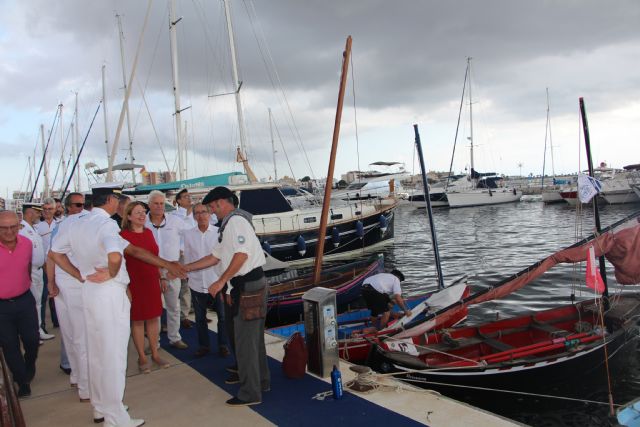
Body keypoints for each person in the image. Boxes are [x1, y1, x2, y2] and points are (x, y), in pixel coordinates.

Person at [50, 184, 186, 427]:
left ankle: (100, 407)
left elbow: (56, 253)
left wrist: (80, 274)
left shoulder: (77, 223)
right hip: (109, 295)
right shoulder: (106, 225)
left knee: (96, 353)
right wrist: (112, 273)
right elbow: (115, 255)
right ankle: (116, 418)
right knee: (112, 356)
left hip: (90, 292)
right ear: (111, 200)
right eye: (119, 199)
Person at [185, 186, 269, 407]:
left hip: (248, 286)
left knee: (245, 342)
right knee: (252, 340)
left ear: (222, 203)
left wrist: (222, 281)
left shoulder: (236, 222)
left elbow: (242, 255)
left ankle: (251, 393)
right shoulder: (229, 224)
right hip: (245, 285)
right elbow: (215, 257)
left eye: (212, 207)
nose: (212, 212)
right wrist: (186, 267)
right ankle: (261, 381)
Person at [45, 192, 90, 399]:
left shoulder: (61, 227)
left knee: (72, 334)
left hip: (67, 283)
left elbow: (52, 256)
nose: (82, 209)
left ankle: (75, 376)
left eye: (84, 205)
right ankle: (85, 385)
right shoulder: (71, 226)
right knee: (81, 336)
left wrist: (53, 282)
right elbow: (52, 256)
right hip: (73, 283)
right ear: (68, 207)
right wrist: (52, 282)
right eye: (78, 205)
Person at [120, 201, 169, 373]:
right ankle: (141, 356)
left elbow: (155, 258)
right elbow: (120, 264)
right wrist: (125, 287)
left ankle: (155, 353)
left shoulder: (149, 233)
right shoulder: (123, 236)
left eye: (143, 212)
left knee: (154, 317)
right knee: (138, 320)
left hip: (151, 281)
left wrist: (161, 276)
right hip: (134, 282)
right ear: (128, 216)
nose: (142, 215)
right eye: (138, 212)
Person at [0, 210, 39, 398]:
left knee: (32, 340)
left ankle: (29, 364)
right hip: (2, 307)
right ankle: (22, 380)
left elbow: (27, 268)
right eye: (4, 228)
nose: (9, 231)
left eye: (13, 227)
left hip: (24, 300)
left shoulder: (27, 244)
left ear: (19, 225)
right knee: (9, 345)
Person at [182, 202, 229, 358]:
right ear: (194, 216)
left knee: (222, 317)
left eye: (204, 212)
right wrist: (188, 275)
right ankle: (204, 346)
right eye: (197, 213)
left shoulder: (218, 233)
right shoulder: (188, 234)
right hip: (196, 281)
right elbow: (188, 256)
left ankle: (223, 344)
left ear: (210, 214)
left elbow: (222, 258)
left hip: (215, 280)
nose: (201, 215)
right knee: (200, 318)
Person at [145, 190, 189, 349]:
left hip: (172, 270)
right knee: (153, 309)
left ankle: (174, 337)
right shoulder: (143, 223)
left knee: (174, 306)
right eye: (155, 203)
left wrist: (180, 255)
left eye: (162, 203)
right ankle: (154, 342)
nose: (159, 206)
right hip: (151, 271)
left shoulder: (175, 221)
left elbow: (186, 239)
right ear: (149, 204)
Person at [18, 203, 54, 341]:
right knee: (31, 304)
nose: (40, 215)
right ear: (29, 213)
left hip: (38, 270)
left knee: (38, 303)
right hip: (29, 271)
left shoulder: (34, 228)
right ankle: (31, 334)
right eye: (37, 212)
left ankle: (38, 330)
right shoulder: (22, 230)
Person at [172, 188, 196, 329]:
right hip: (182, 254)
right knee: (182, 285)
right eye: (185, 197)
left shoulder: (195, 214)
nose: (189, 198)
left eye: (189, 196)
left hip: (195, 254)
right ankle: (183, 316)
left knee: (195, 283)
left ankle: (196, 312)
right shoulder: (175, 216)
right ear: (179, 201)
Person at [35, 197, 59, 333]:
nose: (47, 212)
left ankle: (58, 321)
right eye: (44, 209)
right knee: (43, 297)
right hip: (43, 265)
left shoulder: (62, 224)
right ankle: (42, 325)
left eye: (50, 209)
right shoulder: (37, 227)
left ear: (55, 209)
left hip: (60, 265)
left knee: (58, 295)